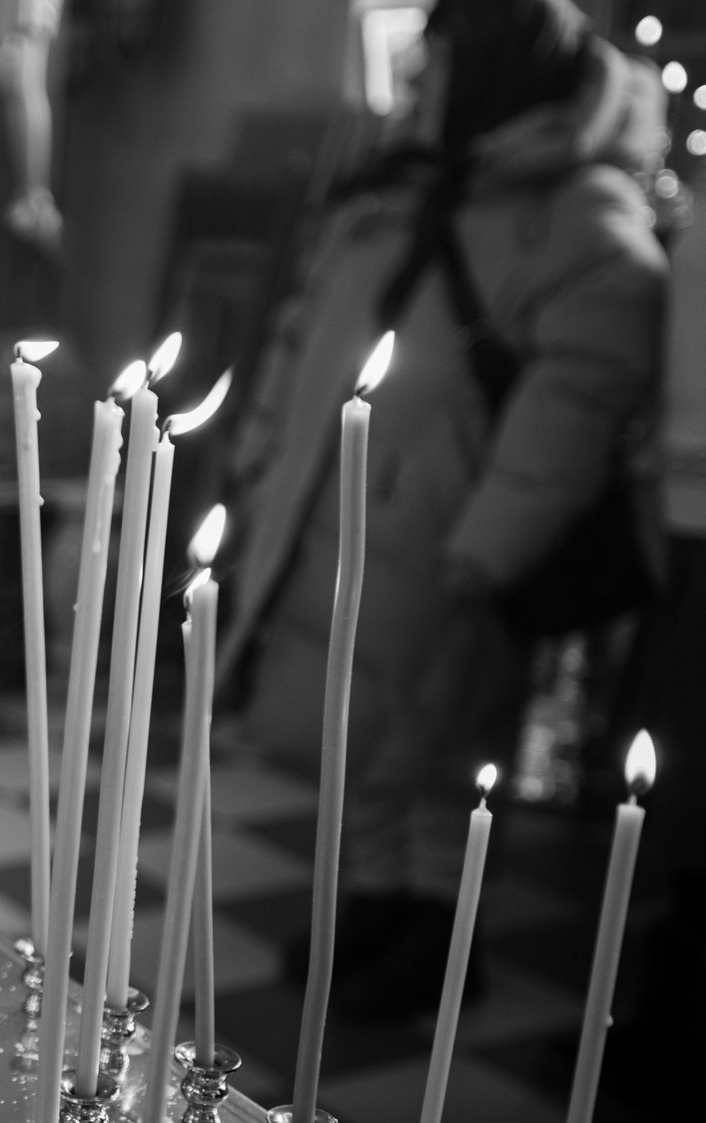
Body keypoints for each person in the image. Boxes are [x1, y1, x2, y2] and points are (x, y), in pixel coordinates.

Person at [221, 0, 667, 1015]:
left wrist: (488, 552)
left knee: (435, 743)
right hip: (346, 515)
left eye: (439, 63)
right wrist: (258, 463)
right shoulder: (400, 190)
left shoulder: (580, 216)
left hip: (449, 535)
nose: (417, 81)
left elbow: (572, 412)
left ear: (495, 76)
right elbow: (299, 338)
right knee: (362, 735)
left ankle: (436, 929)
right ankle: (373, 900)